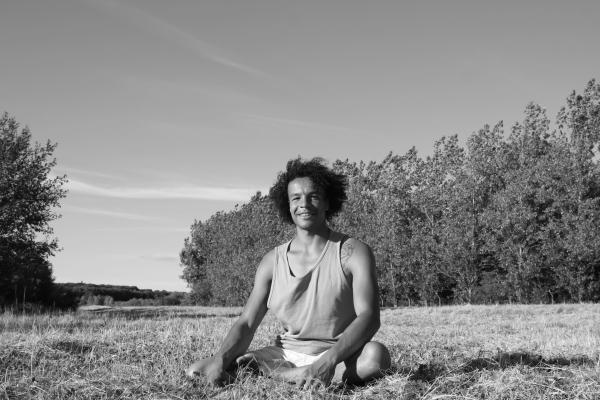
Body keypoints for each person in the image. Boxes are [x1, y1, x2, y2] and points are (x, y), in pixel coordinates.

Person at [186, 157, 391, 390]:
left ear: (327, 202)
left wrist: (327, 362)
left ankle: (278, 375)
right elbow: (247, 322)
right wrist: (221, 360)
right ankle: (288, 373)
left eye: (313, 196)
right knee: (197, 370)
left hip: (338, 354)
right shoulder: (271, 261)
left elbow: (369, 317)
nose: (304, 204)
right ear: (288, 205)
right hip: (284, 355)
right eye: (296, 198)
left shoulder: (353, 251)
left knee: (376, 358)